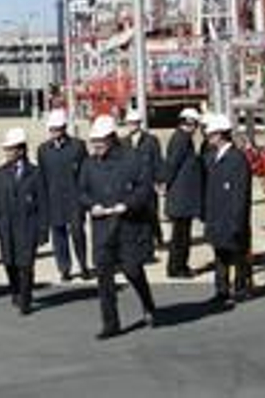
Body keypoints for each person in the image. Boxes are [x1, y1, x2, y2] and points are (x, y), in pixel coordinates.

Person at [78, 115, 157, 339]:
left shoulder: (132, 159)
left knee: (133, 271)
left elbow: (144, 189)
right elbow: (81, 192)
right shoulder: (89, 164)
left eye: (100, 141)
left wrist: (127, 205)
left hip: (127, 227)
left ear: (111, 139)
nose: (96, 146)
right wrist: (91, 206)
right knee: (104, 277)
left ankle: (148, 304)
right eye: (93, 142)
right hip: (102, 228)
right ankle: (110, 323)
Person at [0, 127, 48, 315]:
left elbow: (43, 203)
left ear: (21, 150)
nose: (7, 153)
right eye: (6, 149)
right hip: (6, 227)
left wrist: (43, 230)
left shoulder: (36, 173)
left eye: (11, 149)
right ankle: (15, 290)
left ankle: (26, 299)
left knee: (26, 265)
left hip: (28, 226)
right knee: (9, 263)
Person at [200, 112, 252, 308]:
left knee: (238, 253)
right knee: (220, 254)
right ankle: (221, 290)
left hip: (231, 215)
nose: (209, 137)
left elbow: (241, 193)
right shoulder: (213, 157)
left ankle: (241, 288)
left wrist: (237, 220)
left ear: (221, 134)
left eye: (212, 134)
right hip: (217, 214)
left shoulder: (237, 158)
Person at [37, 109, 90, 281]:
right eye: (52, 129)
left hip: (75, 199)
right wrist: (43, 203)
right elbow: (42, 178)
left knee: (77, 233)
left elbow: (86, 172)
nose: (54, 133)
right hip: (54, 200)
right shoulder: (43, 150)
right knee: (58, 236)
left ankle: (83, 265)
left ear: (64, 128)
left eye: (57, 129)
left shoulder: (78, 146)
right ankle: (64, 268)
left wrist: (85, 198)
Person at [161, 108, 204, 278]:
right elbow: (172, 164)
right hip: (181, 197)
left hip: (182, 196)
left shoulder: (182, 138)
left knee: (181, 236)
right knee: (181, 237)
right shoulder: (182, 139)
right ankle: (178, 268)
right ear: (190, 123)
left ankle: (178, 266)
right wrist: (165, 183)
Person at [120, 108, 164, 253]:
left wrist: (159, 180)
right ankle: (142, 243)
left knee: (151, 213)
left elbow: (157, 161)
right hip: (132, 185)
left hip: (148, 182)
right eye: (129, 123)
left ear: (139, 123)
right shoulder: (124, 142)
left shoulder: (151, 141)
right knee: (137, 214)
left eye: (134, 123)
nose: (131, 126)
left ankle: (155, 239)